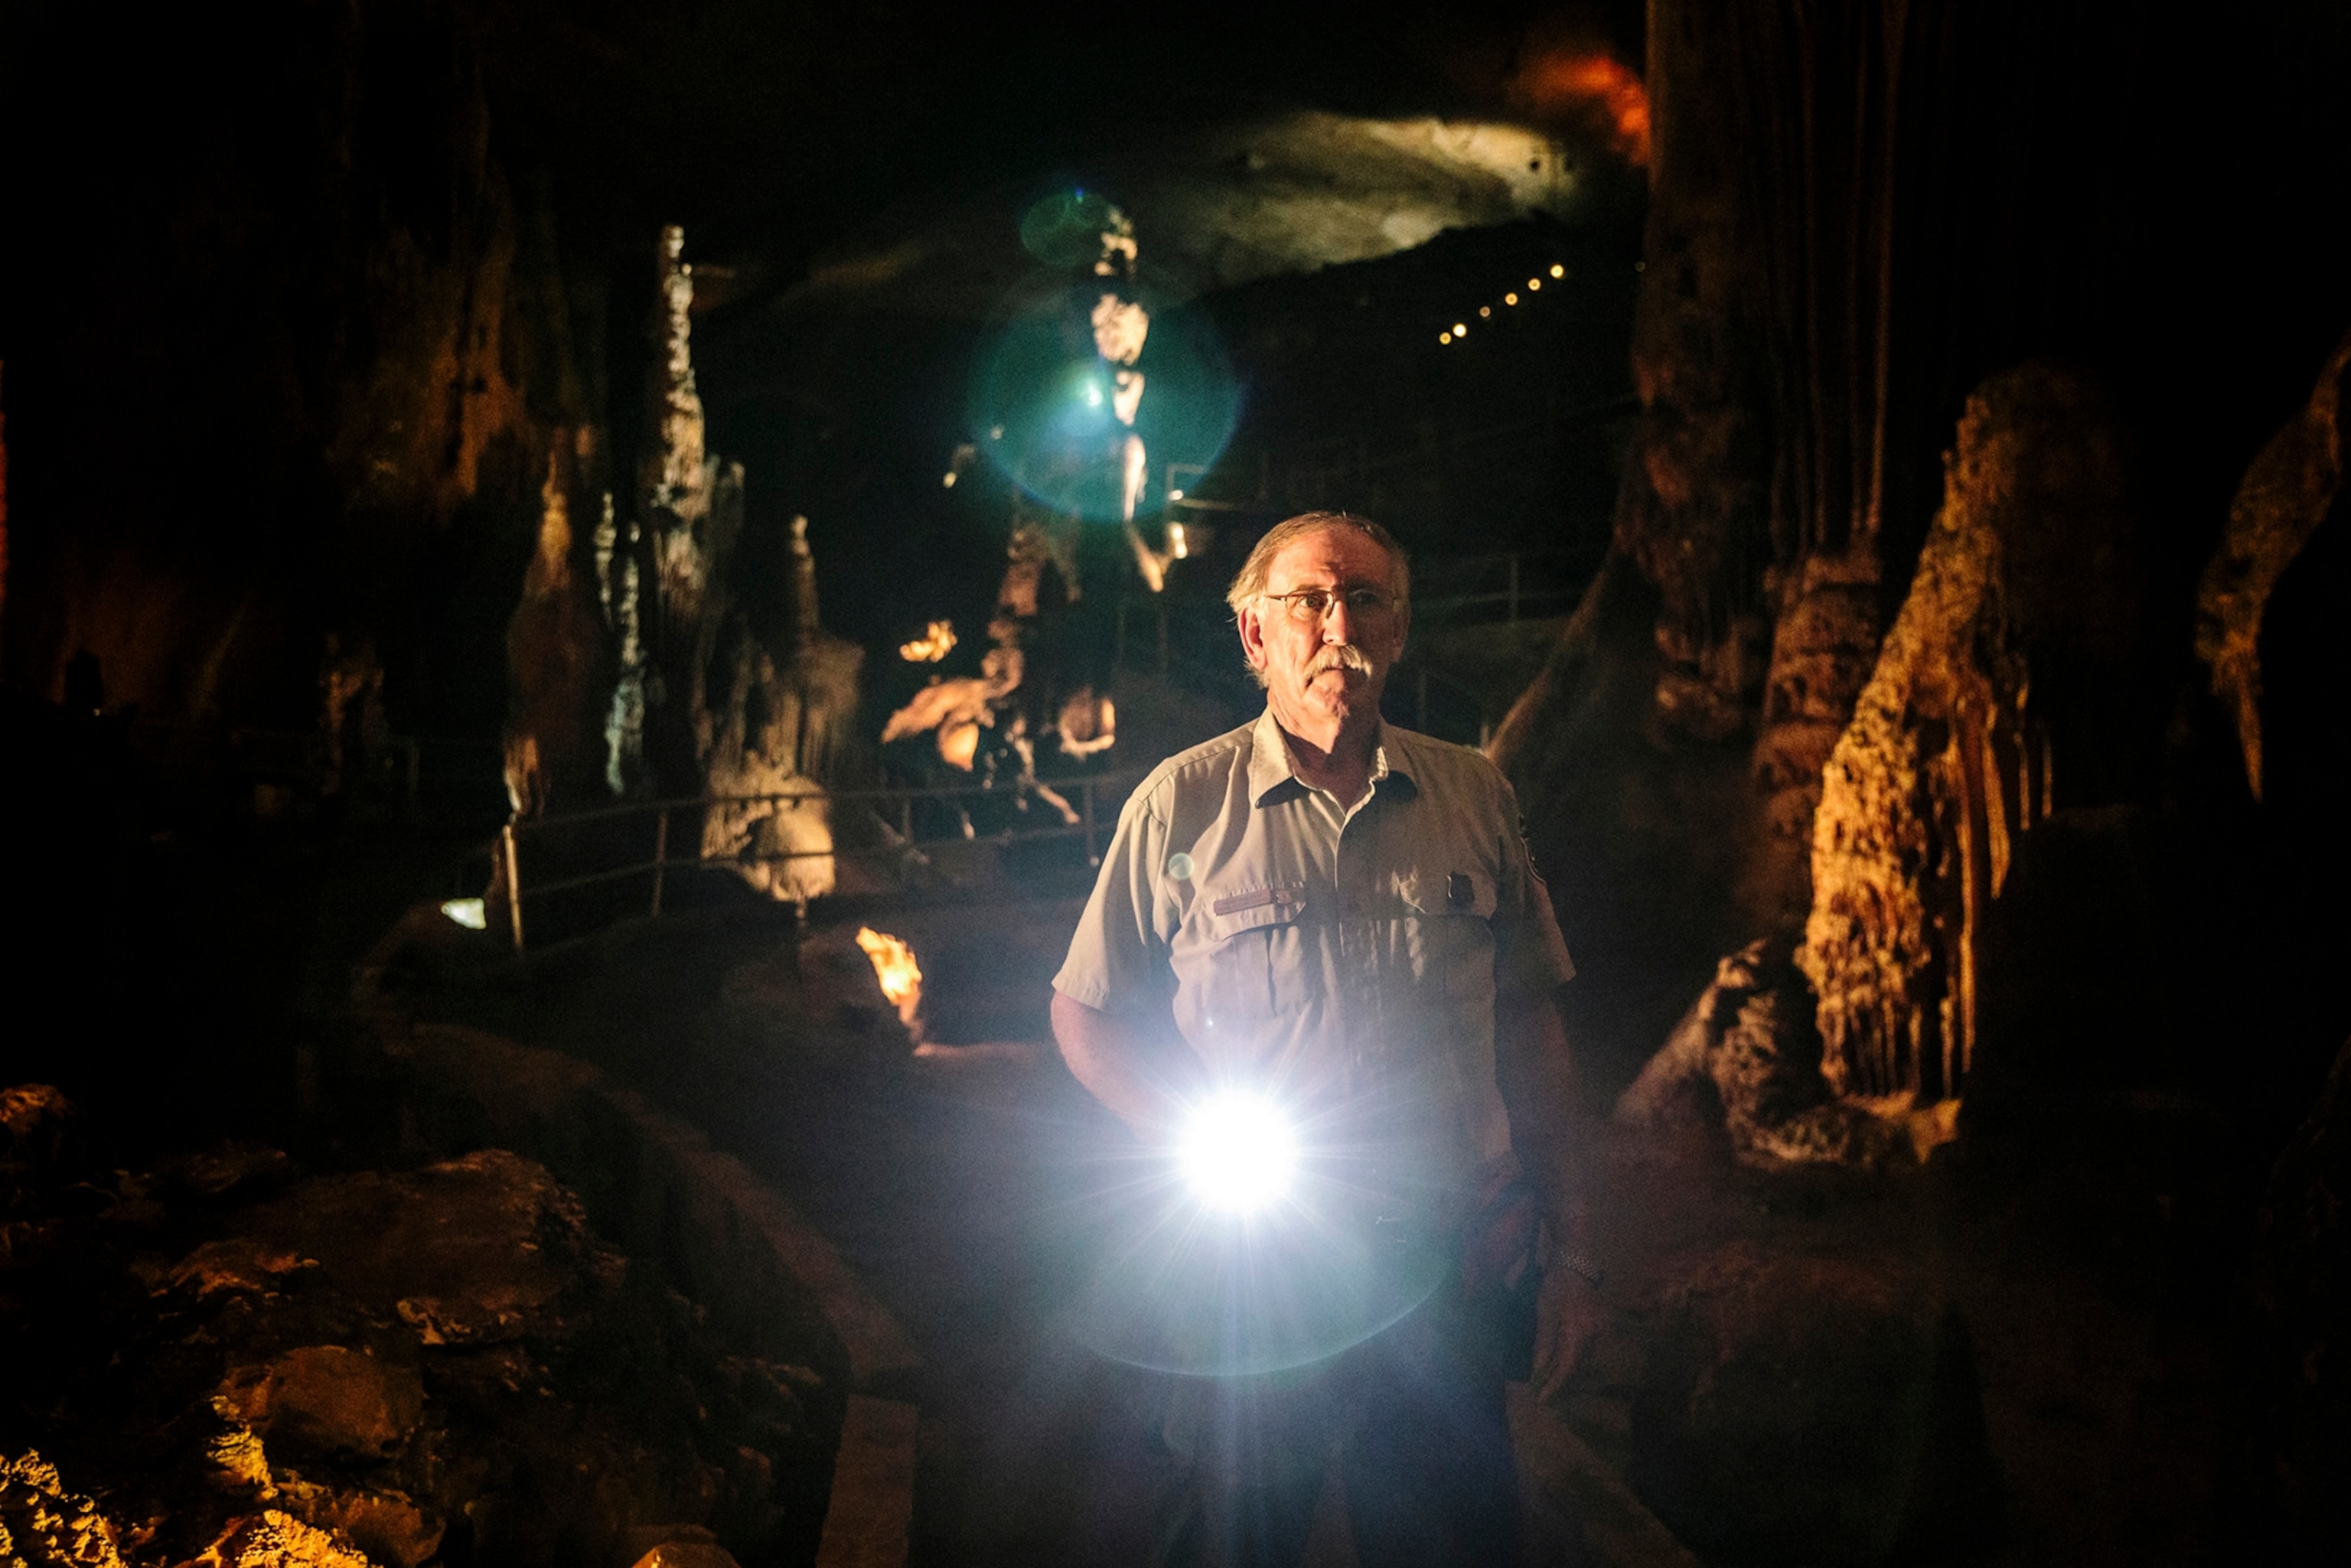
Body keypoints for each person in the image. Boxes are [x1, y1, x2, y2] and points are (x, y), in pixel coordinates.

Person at [1050, 511, 1600, 1566]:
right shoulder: (1181, 806)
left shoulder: (1475, 793)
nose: (1337, 622)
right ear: (1256, 636)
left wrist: (1573, 1253)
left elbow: (1533, 1017)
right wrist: (1190, 1134)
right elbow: (1082, 1008)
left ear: (1398, 631)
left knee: (1448, 1536)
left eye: (1367, 599)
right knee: (1238, 1531)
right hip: (1262, 1266)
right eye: (1308, 600)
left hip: (1449, 1254)